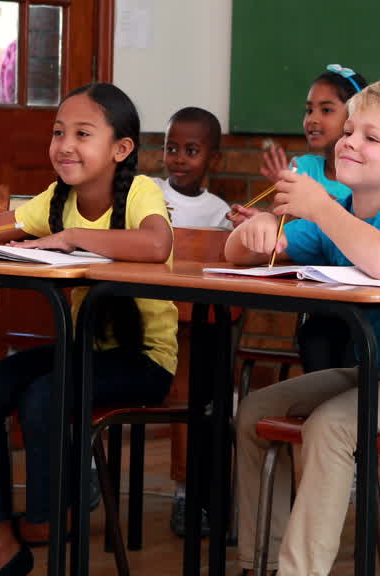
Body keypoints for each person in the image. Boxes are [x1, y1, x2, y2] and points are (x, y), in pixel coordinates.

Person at [227, 80, 380, 575]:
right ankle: (262, 562)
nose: (348, 141)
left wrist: (319, 206)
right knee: (255, 409)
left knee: (333, 425)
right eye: (348, 131)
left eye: (371, 137)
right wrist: (251, 232)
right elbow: (240, 255)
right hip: (378, 376)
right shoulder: (339, 213)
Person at [0, 83, 178, 576]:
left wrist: (69, 238)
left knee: (44, 398)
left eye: (82, 134)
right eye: (58, 132)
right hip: (81, 350)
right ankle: (2, 542)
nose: (65, 144)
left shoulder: (140, 192)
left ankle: (53, 524)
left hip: (144, 362)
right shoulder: (56, 197)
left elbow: (155, 245)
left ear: (121, 148)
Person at [229, 66, 370, 370]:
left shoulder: (371, 178)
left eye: (326, 109)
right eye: (308, 110)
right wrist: (265, 222)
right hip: (323, 304)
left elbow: (355, 221)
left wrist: (316, 204)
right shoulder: (303, 167)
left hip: (367, 303)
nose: (313, 119)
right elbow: (292, 230)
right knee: (316, 338)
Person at [152, 106, 230, 536]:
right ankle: (86, 467)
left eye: (192, 150)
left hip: (189, 327)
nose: (178, 158)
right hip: (145, 318)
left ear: (213, 160)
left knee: (194, 392)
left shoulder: (218, 212)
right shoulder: (148, 192)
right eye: (171, 148)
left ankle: (187, 494)